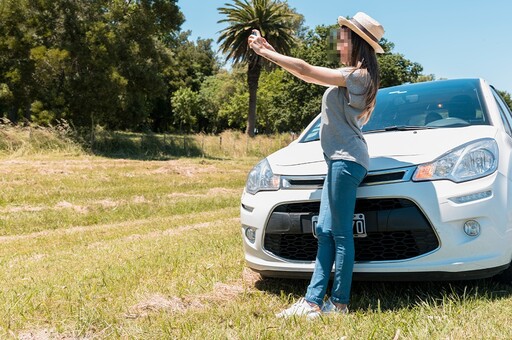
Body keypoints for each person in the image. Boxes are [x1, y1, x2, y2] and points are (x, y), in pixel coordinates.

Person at [248, 12, 385, 319]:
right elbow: (308, 74)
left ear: (357, 41)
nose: (338, 42)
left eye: (343, 36)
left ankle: (338, 303)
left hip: (346, 159)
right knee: (324, 230)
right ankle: (311, 302)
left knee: (338, 233)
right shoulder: (353, 74)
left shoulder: (359, 76)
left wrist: (266, 52)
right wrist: (272, 52)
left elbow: (306, 70)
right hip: (338, 160)